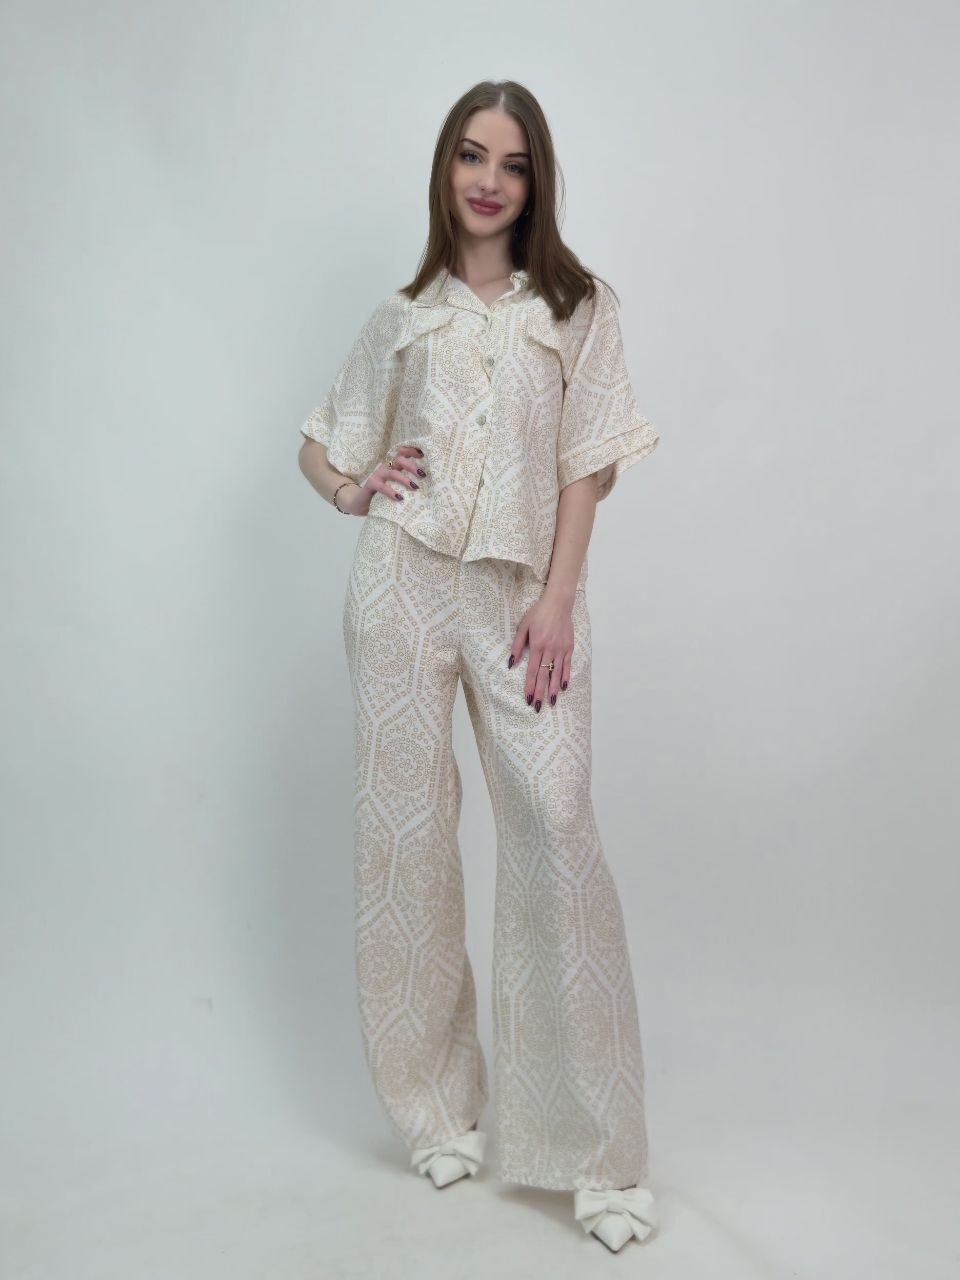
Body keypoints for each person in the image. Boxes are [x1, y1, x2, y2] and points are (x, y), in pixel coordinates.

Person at [297, 79, 661, 1253]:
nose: (489, 179)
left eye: (510, 161)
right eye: (470, 155)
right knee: (404, 838)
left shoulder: (579, 308)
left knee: (555, 823)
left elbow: (588, 465)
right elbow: (323, 441)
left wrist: (558, 597)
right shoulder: (405, 314)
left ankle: (600, 1154)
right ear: (445, 169)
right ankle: (434, 1104)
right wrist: (353, 489)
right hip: (401, 589)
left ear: (535, 179)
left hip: (521, 600)